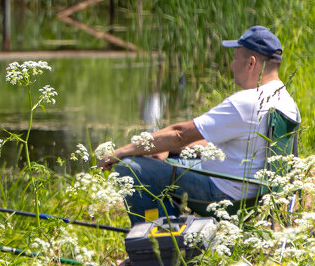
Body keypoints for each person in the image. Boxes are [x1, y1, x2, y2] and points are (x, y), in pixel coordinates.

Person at [99, 25, 300, 225]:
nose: (231, 65)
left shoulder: (248, 101)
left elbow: (179, 133)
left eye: (235, 58)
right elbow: (213, 142)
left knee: (130, 168)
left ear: (251, 62)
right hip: (253, 193)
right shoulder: (286, 102)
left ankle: (160, 242)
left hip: (223, 195)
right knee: (167, 158)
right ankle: (177, 233)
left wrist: (121, 152)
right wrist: (173, 149)